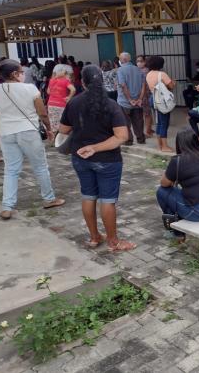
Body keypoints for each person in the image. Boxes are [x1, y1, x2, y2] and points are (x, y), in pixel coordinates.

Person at [57, 65, 135, 252]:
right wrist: (96, 147)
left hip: (80, 158)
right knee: (107, 200)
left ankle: (94, 237)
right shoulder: (111, 104)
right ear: (101, 80)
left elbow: (63, 130)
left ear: (82, 82)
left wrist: (86, 138)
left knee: (88, 196)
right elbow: (122, 136)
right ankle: (113, 242)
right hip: (108, 160)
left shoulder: (74, 103)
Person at [0, 59, 65, 220]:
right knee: (40, 167)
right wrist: (49, 129)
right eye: (21, 72)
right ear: (14, 74)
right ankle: (49, 198)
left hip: (6, 132)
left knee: (11, 170)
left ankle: (7, 206)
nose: (23, 74)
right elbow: (42, 113)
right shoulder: (29, 88)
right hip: (28, 131)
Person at [145, 56, 175, 152]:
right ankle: (165, 146)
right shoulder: (162, 74)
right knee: (164, 123)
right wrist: (173, 83)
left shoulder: (148, 74)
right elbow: (171, 86)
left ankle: (160, 145)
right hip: (162, 101)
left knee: (158, 122)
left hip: (153, 99)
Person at [116, 52, 147, 146]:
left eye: (120, 59)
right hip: (137, 102)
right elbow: (143, 85)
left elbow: (123, 85)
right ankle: (141, 139)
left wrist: (129, 99)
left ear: (123, 60)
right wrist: (140, 99)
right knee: (138, 121)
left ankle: (129, 140)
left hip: (124, 102)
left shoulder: (120, 70)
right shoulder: (138, 69)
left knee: (125, 122)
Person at [47, 64, 76, 134]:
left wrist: (55, 93)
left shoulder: (51, 80)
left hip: (51, 104)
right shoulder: (65, 81)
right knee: (62, 122)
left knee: (53, 122)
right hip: (61, 105)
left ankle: (53, 140)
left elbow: (48, 92)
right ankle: (61, 138)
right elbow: (73, 89)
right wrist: (69, 97)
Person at [136, 55, 154, 137]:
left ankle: (148, 132)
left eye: (141, 61)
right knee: (147, 113)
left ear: (145, 62)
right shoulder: (139, 70)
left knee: (146, 114)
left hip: (145, 95)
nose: (139, 63)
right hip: (143, 95)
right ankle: (149, 129)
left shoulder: (145, 71)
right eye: (137, 61)